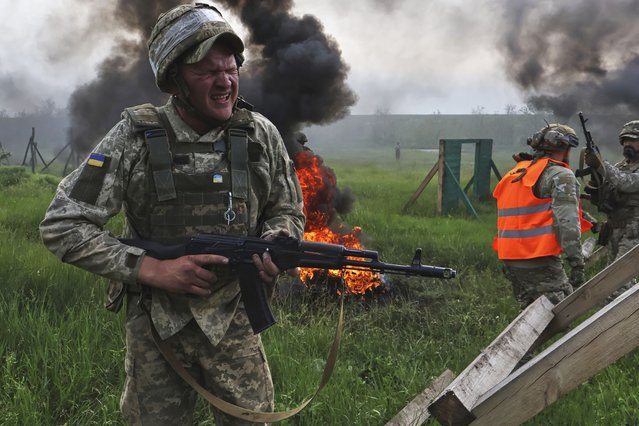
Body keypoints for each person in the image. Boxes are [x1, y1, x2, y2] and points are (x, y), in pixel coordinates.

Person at [39, 4, 305, 425]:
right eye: (207, 71)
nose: (225, 81)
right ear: (175, 79)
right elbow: (61, 224)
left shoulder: (260, 134)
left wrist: (276, 239)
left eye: (231, 67)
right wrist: (150, 269)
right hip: (157, 327)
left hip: (234, 322)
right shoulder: (134, 138)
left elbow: (287, 208)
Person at [492, 124, 592, 308]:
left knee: (529, 316)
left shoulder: (514, 173)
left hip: (510, 259)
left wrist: (591, 222)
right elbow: (566, 223)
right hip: (539, 258)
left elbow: (534, 209)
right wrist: (577, 263)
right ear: (565, 148)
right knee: (561, 314)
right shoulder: (560, 175)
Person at [585, 120, 639, 298]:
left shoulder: (620, 171)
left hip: (634, 232)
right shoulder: (621, 166)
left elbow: (627, 184)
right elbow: (607, 196)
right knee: (611, 282)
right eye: (624, 140)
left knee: (619, 283)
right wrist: (595, 182)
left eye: (632, 139)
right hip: (615, 230)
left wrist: (601, 165)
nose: (627, 144)